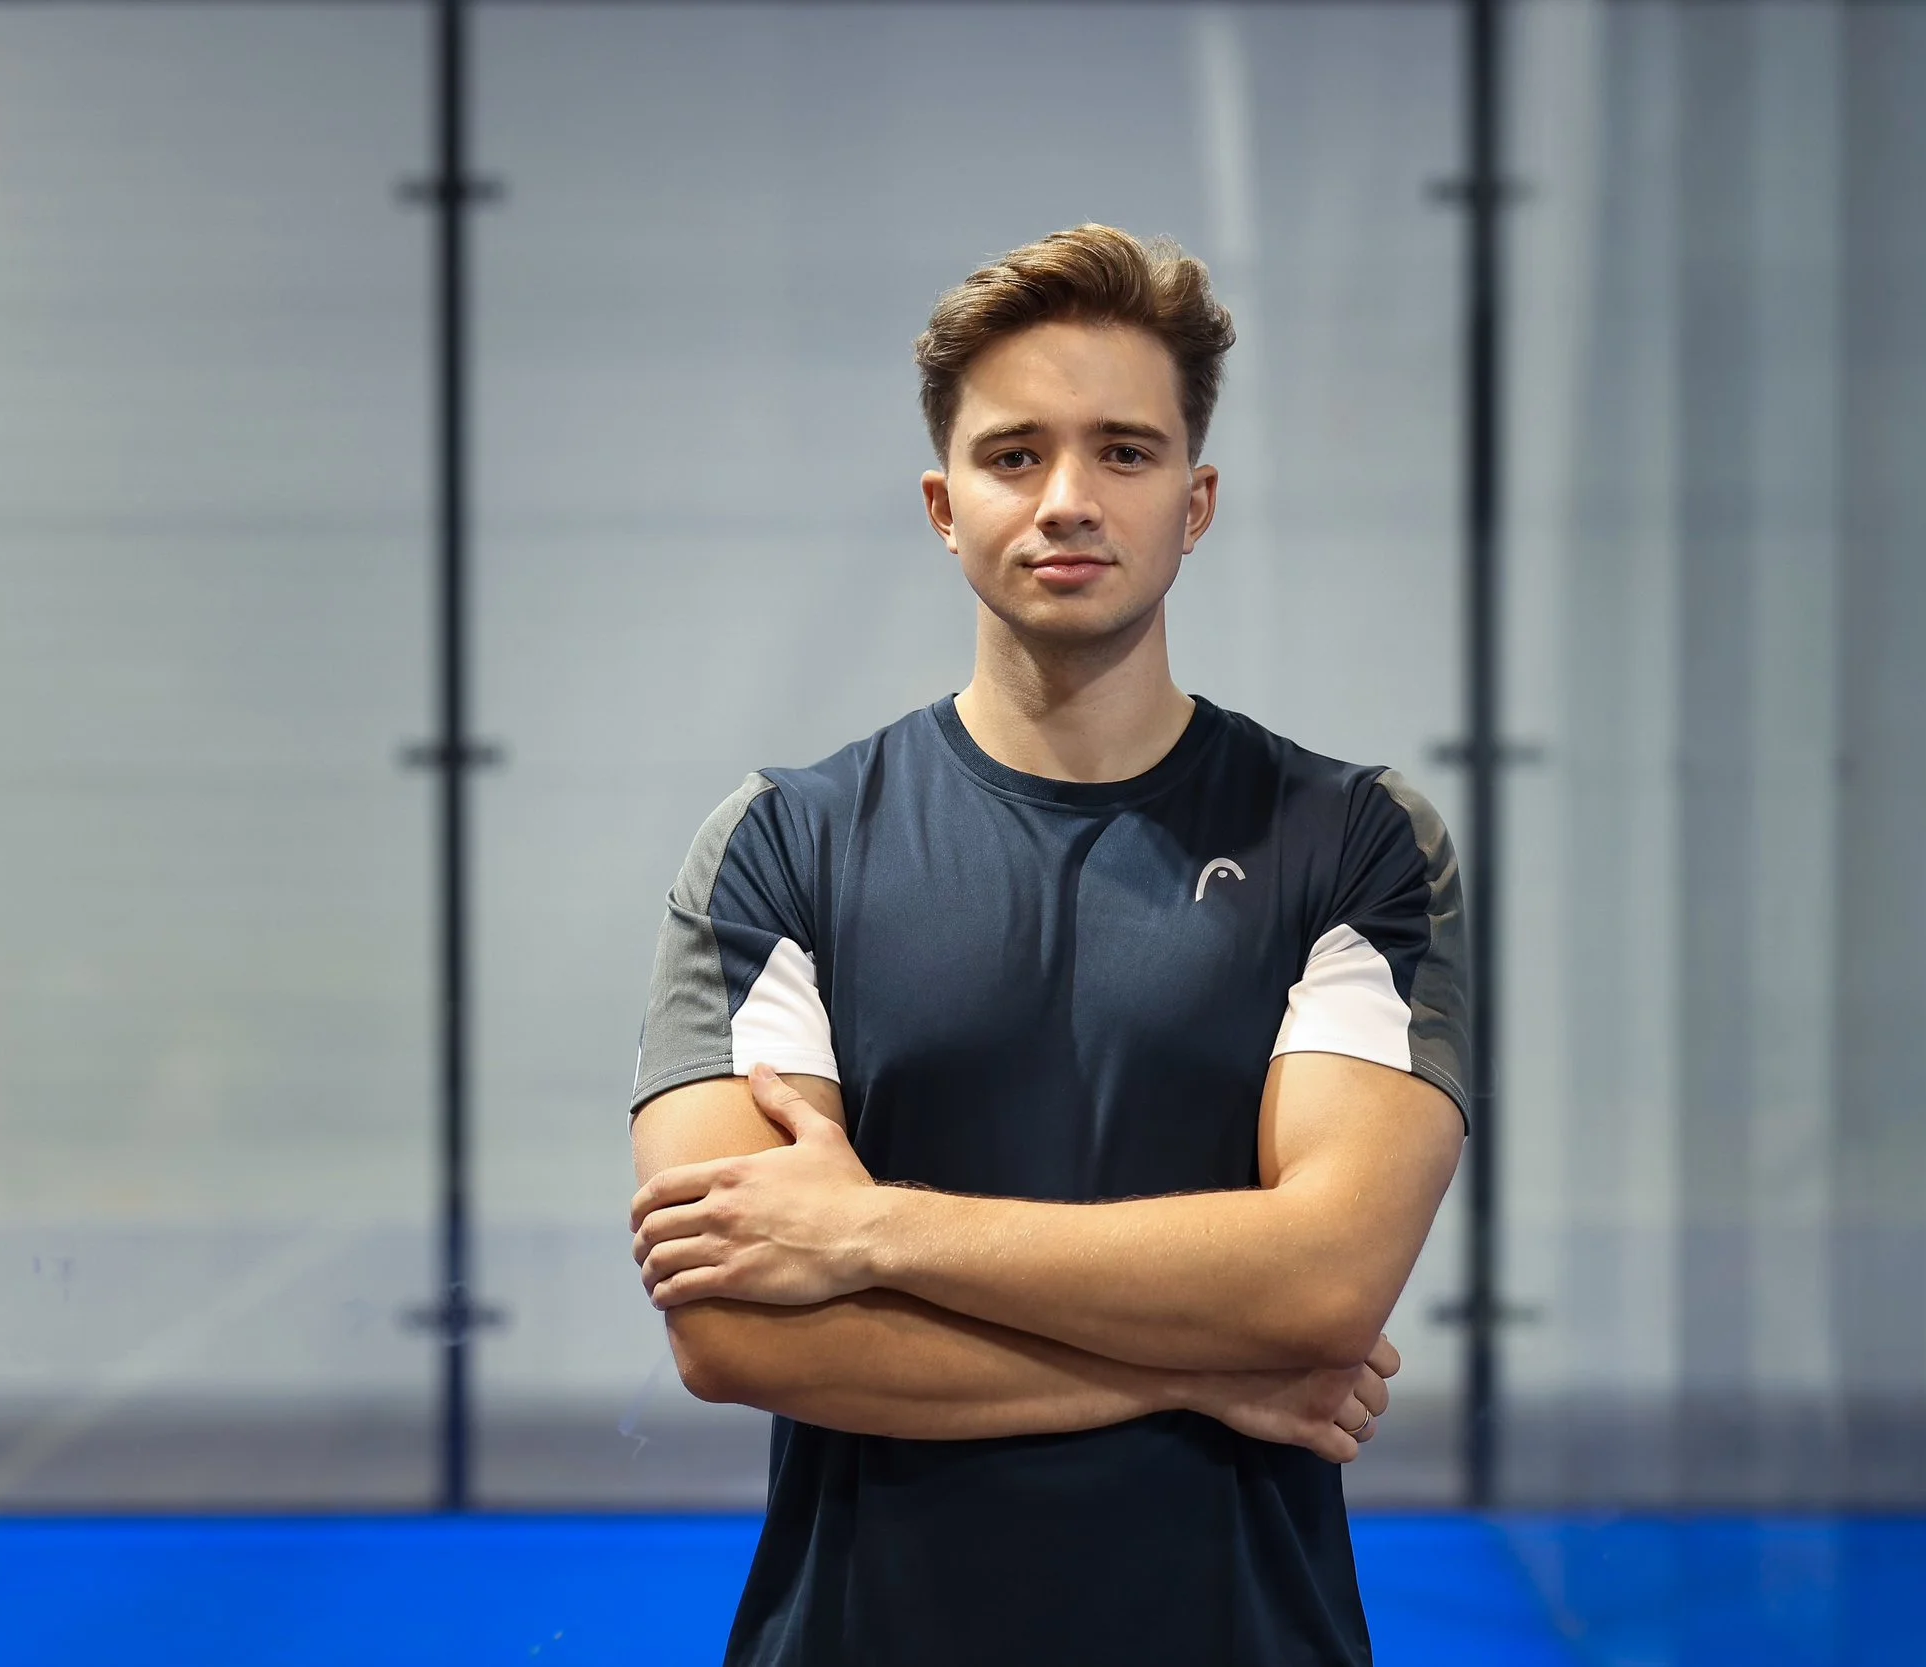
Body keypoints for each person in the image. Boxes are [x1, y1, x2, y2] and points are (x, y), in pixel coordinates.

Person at [627, 223, 1469, 1667]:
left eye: (1125, 453)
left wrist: (871, 1227)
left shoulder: (1354, 840)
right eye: (1016, 455)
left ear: (1195, 503)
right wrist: (1219, 1370)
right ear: (944, 504)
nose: (1068, 498)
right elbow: (739, 1338)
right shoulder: (779, 848)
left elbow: (1327, 1285)